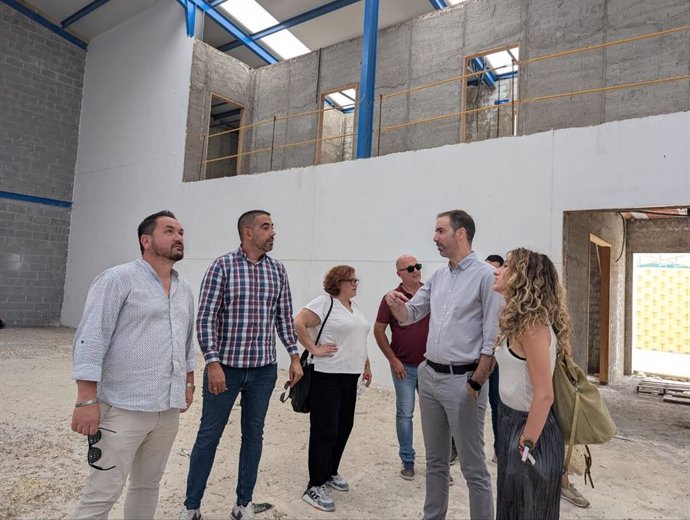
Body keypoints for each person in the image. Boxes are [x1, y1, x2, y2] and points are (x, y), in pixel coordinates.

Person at [71, 210, 196, 520]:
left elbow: (186, 342)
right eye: (169, 231)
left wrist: (188, 384)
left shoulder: (184, 290)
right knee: (102, 492)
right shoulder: (118, 279)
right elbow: (91, 337)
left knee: (147, 486)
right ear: (146, 240)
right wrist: (86, 398)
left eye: (181, 232)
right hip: (123, 408)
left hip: (166, 411)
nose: (179, 237)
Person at [180, 210, 303, 520]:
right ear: (247, 233)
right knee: (209, 435)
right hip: (227, 368)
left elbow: (283, 318)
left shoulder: (277, 270)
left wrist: (294, 355)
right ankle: (191, 507)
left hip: (263, 370)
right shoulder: (222, 267)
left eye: (273, 226)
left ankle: (242, 504)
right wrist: (212, 362)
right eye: (266, 227)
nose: (273, 232)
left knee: (254, 436)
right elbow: (206, 317)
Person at [386, 210, 502, 520]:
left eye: (440, 231)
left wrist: (478, 379)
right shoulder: (437, 277)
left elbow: (492, 334)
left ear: (460, 233)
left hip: (464, 381)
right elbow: (411, 315)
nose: (434, 237)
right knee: (435, 462)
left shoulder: (485, 276)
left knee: (472, 466)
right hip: (430, 376)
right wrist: (397, 307)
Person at [492, 248, 569, 519]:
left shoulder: (532, 326)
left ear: (524, 277)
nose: (498, 270)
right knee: (512, 507)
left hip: (530, 427)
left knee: (528, 508)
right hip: (510, 420)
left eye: (508, 266)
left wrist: (526, 443)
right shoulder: (518, 321)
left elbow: (544, 395)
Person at [295, 265, 372, 513]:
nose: (355, 283)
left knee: (343, 426)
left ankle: (330, 472)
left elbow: (358, 338)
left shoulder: (354, 307)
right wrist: (314, 349)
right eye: (351, 280)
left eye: (356, 279)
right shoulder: (325, 302)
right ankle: (315, 485)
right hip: (326, 376)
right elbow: (299, 322)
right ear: (338, 282)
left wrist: (367, 363)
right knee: (324, 430)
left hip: (350, 377)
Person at [374, 255, 430, 480]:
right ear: (399, 273)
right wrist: (393, 360)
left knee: (435, 417)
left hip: (431, 368)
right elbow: (379, 331)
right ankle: (408, 461)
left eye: (418, 266)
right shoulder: (391, 299)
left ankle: (439, 465)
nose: (416, 270)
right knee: (405, 414)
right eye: (410, 268)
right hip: (404, 368)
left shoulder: (430, 293)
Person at [485, 254, 505, 463]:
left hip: (498, 360)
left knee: (497, 405)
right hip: (478, 357)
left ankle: (499, 449)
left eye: (495, 271)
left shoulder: (507, 300)